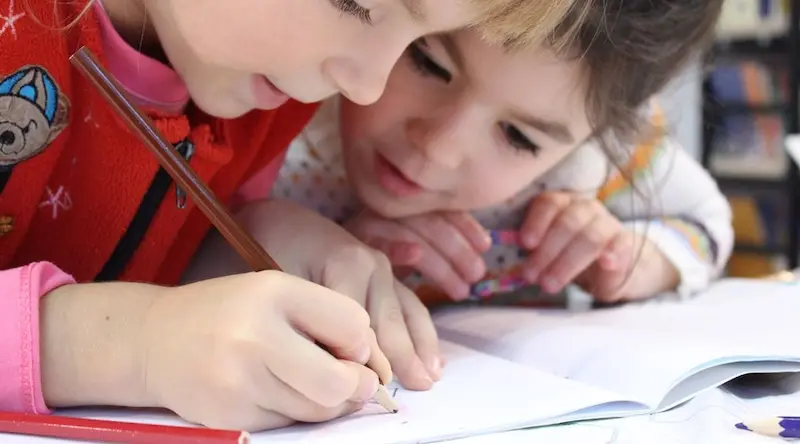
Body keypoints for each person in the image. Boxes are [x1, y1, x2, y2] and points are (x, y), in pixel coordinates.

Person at [0, 0, 585, 432]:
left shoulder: (261, 95)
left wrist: (242, 242)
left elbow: (122, 256)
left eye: (417, 40)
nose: (364, 88)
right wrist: (134, 346)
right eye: (356, 4)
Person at [270, 0, 732, 306]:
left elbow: (707, 222)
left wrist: (636, 259)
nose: (438, 147)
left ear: (595, 137)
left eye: (519, 137)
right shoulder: (280, 107)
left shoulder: (592, 166)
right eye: (427, 62)